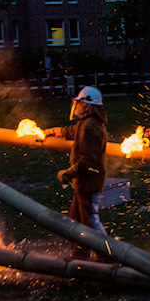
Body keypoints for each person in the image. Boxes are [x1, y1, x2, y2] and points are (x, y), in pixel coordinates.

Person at [44, 86, 109, 260]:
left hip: (90, 181)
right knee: (76, 219)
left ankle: (107, 253)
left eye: (80, 103)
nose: (77, 106)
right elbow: (71, 131)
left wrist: (68, 173)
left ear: (88, 105)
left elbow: (88, 161)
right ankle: (80, 253)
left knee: (90, 220)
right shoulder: (86, 124)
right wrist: (52, 131)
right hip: (83, 182)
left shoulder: (91, 127)